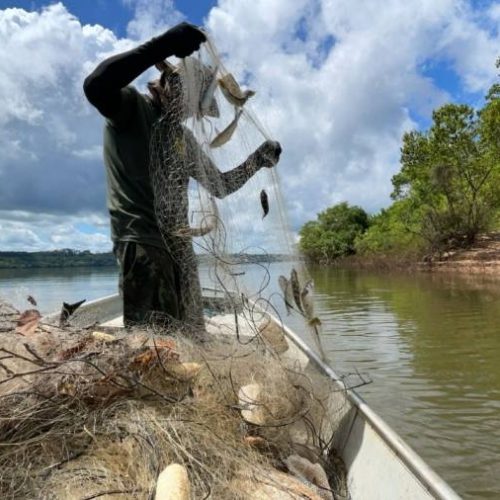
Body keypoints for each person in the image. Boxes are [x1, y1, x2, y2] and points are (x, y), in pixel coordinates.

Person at [83, 22, 282, 331]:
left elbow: (220, 185)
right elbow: (96, 85)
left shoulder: (183, 137)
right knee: (154, 345)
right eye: (187, 99)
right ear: (170, 85)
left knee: (193, 335)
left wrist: (257, 160)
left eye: (195, 107)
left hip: (180, 245)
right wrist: (160, 46)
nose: (189, 111)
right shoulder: (131, 109)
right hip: (143, 241)